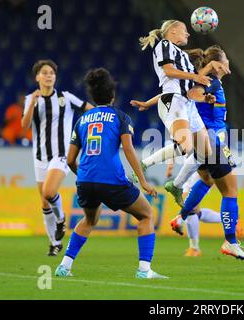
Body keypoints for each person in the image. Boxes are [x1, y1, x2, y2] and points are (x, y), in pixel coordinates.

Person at [133, 46, 244, 260]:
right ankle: (231, 241)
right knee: (230, 192)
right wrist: (205, 77)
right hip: (213, 141)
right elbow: (190, 94)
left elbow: (176, 92)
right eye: (226, 60)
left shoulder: (207, 81)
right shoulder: (211, 81)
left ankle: (181, 216)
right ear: (219, 62)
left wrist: (149, 103)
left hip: (206, 142)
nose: (229, 65)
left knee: (206, 182)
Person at [55, 68, 167, 279]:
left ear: (93, 97)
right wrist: (143, 181)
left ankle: (64, 266)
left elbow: (69, 159)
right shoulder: (121, 117)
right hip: (112, 180)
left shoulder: (83, 120)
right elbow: (128, 149)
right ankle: (144, 270)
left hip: (85, 180)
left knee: (89, 220)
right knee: (146, 214)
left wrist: (83, 175)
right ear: (113, 95)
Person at [131, 20, 230, 207]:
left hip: (188, 104)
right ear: (173, 31)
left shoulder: (182, 57)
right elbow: (168, 73)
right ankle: (143, 165)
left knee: (205, 153)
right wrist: (196, 76)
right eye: (185, 31)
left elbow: (190, 90)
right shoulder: (164, 45)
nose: (188, 34)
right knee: (185, 146)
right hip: (174, 102)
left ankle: (176, 185)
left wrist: (205, 97)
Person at [21, 60, 92, 256]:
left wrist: (98, 120)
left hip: (61, 154)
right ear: (37, 77)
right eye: (44, 73)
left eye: (51, 72)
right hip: (40, 157)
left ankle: (61, 219)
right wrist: (32, 104)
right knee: (44, 202)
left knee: (49, 192)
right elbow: (24, 125)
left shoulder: (65, 97)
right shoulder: (31, 99)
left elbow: (87, 107)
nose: (49, 75)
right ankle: (54, 243)